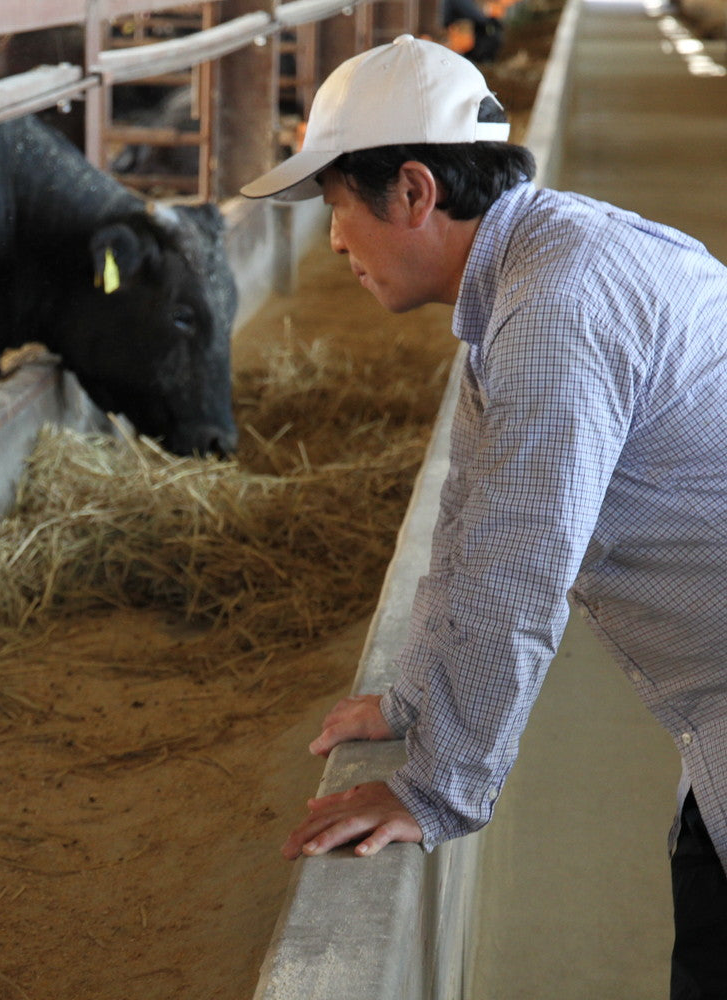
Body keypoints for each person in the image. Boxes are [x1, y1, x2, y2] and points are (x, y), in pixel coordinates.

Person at [241, 35, 727, 998]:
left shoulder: (553, 308)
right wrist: (413, 701)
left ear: (414, 192)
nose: (335, 242)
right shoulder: (534, 265)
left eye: (339, 207)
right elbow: (468, 515)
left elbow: (516, 569)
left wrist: (437, 789)